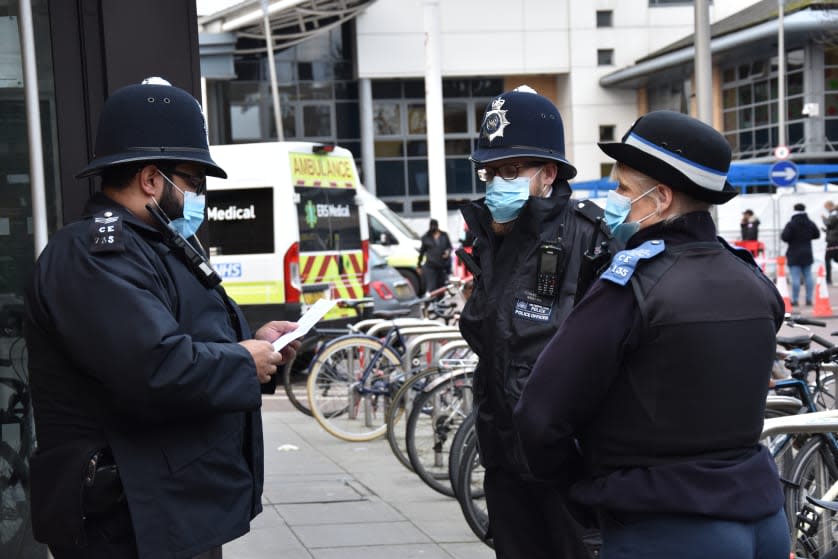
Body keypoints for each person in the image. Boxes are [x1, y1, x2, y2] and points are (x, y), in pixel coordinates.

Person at [23, 78, 301, 559]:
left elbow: (183, 334)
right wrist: (240, 362)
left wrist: (256, 344)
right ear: (152, 180)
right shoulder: (94, 254)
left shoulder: (153, 243)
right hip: (127, 521)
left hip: (167, 509)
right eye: (194, 181)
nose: (200, 195)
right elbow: (152, 367)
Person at [512, 110, 789, 559]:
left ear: (660, 199)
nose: (613, 201)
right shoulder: (753, 282)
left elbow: (540, 413)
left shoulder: (632, 285)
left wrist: (580, 488)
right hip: (764, 520)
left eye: (622, 188)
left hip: (665, 525)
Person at [458, 85, 616, 559]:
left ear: (548, 174)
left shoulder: (586, 240)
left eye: (511, 171)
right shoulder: (492, 238)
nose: (495, 183)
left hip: (564, 466)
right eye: (490, 171)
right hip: (504, 457)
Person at [782, 202, 820, 306]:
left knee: (795, 278)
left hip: (794, 253)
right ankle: (808, 299)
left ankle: (794, 300)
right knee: (808, 276)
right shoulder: (810, 222)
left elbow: (785, 237)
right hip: (807, 252)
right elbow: (817, 234)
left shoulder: (791, 224)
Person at [417, 218, 452, 292]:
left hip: (442, 266)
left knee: (441, 287)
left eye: (434, 226)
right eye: (431, 226)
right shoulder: (426, 237)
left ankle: (440, 303)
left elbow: (449, 247)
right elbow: (422, 252)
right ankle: (430, 303)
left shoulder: (444, 235)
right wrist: (419, 265)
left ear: (437, 226)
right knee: (431, 287)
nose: (433, 228)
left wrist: (448, 252)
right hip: (430, 266)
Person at [823, 200, 838, 284]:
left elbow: (829, 224)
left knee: (827, 259)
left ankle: (828, 278)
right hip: (835, 240)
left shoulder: (834, 214)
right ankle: (828, 278)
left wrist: (824, 219)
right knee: (833, 258)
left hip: (833, 241)